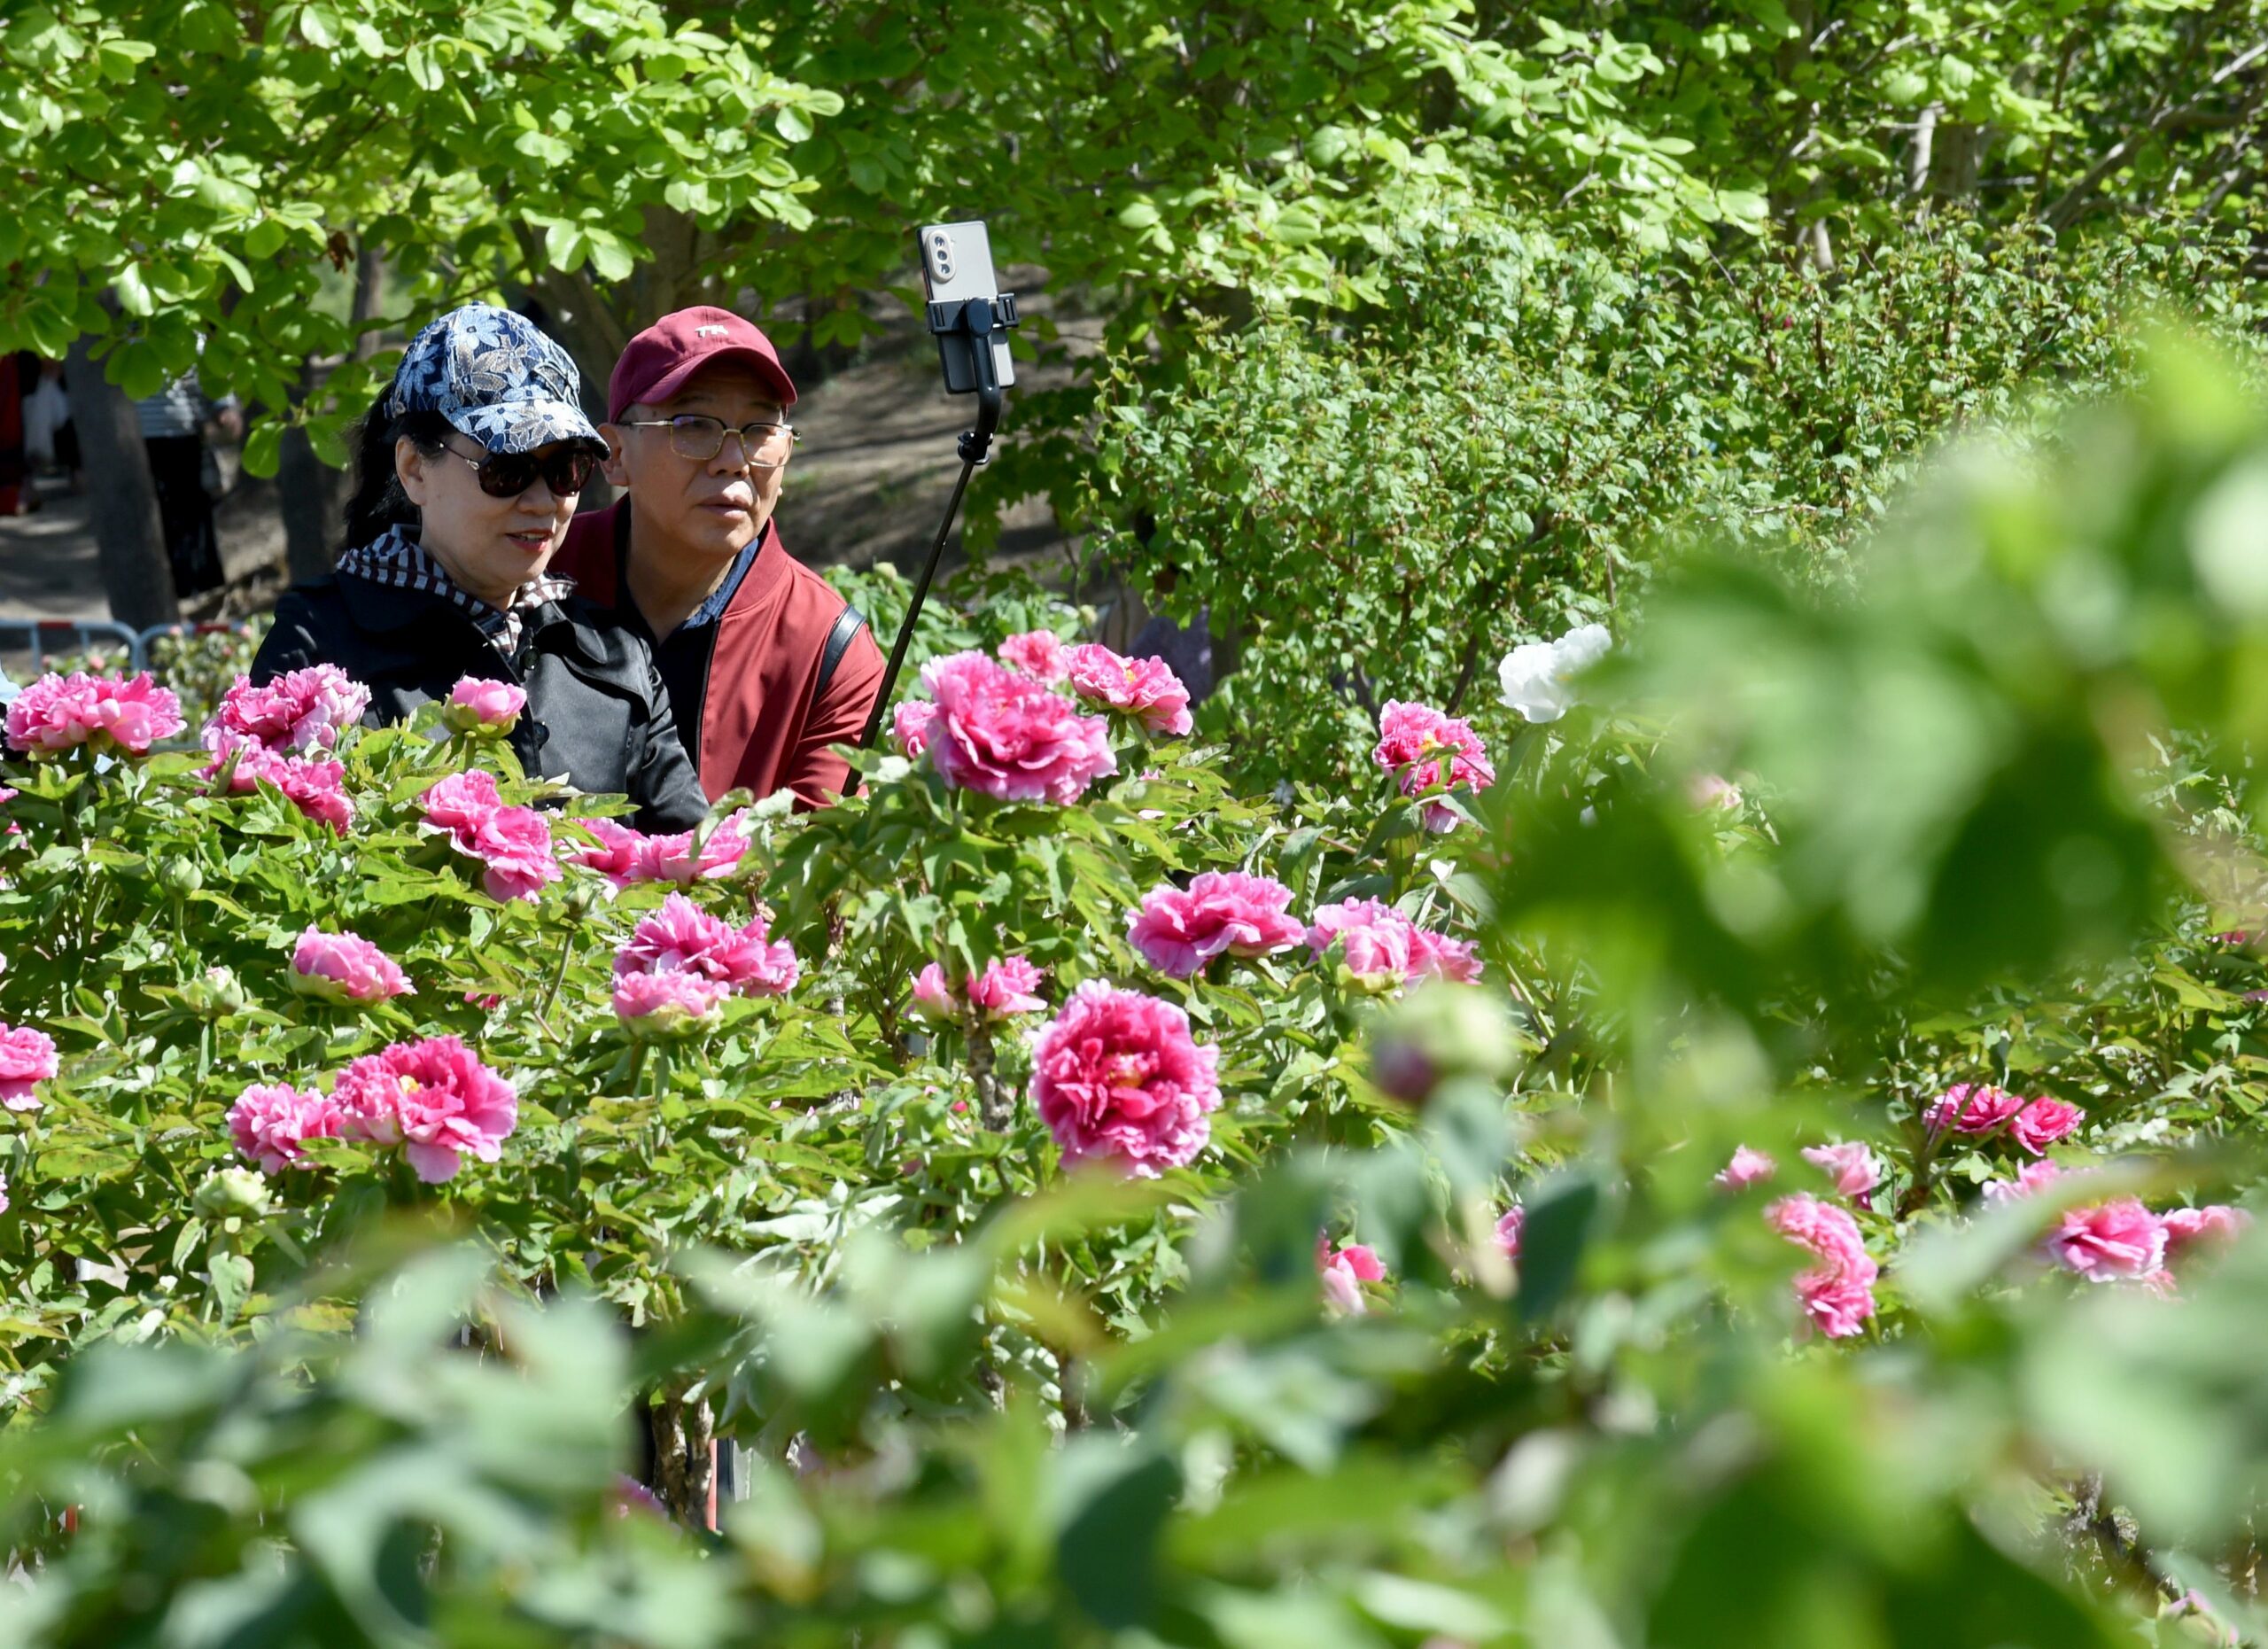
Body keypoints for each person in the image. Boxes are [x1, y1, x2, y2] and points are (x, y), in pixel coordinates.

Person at [252, 304, 707, 832]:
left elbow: (694, 864)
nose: (543, 502)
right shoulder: (319, 646)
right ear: (414, 468)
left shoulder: (617, 657)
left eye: (566, 469)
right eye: (507, 468)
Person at [549, 307, 883, 809]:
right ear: (615, 455)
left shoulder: (829, 649)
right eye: (693, 425)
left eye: (758, 429)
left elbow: (817, 866)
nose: (733, 459)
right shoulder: (538, 574)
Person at [136, 367, 237, 596]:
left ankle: (198, 587)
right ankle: (169, 588)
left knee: (192, 514)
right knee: (156, 519)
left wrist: (223, 406)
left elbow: (208, 372)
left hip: (183, 435)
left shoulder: (189, 335)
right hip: (138, 443)